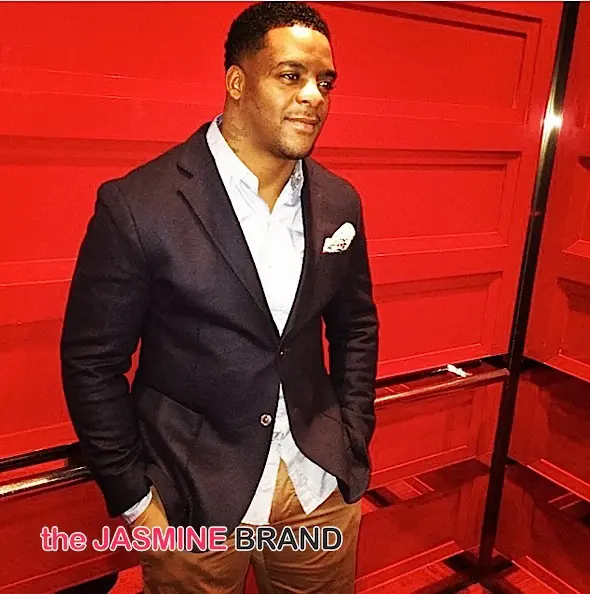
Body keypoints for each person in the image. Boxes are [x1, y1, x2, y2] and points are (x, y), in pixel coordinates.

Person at [60, 2, 379, 592]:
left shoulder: (340, 202)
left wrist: (352, 438)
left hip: (316, 485)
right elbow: (92, 362)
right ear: (237, 82)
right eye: (291, 75)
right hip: (192, 499)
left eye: (325, 81)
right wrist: (136, 503)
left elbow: (356, 326)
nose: (314, 96)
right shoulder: (139, 205)